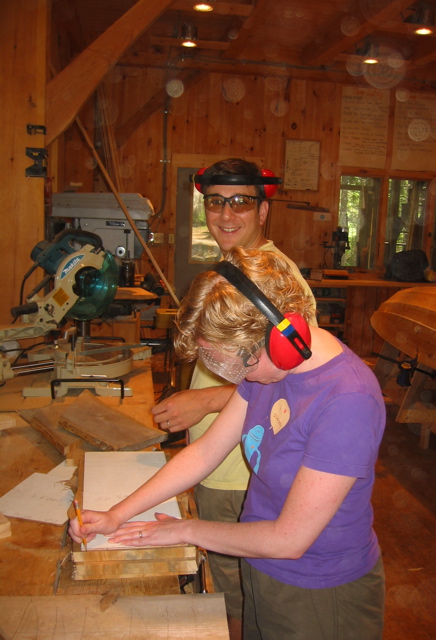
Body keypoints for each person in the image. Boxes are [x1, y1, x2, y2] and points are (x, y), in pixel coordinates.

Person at [69, 247, 386, 640]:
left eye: (233, 363)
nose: (234, 376)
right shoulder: (266, 368)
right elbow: (204, 452)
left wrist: (187, 530)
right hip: (259, 564)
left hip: (320, 592)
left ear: (280, 339)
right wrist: (118, 514)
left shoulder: (347, 401)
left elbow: (289, 540)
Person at [151, 158, 317, 639]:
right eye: (216, 202)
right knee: (227, 579)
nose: (226, 214)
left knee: (238, 589)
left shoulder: (277, 283)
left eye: (241, 202)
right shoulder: (231, 269)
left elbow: (301, 379)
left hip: (239, 467)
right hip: (218, 454)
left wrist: (202, 403)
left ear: (263, 211)